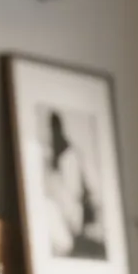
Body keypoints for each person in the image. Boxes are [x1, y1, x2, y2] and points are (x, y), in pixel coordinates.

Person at [41, 110, 107, 261]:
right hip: (70, 216)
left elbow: (74, 192)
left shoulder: (69, 155)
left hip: (76, 216)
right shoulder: (55, 157)